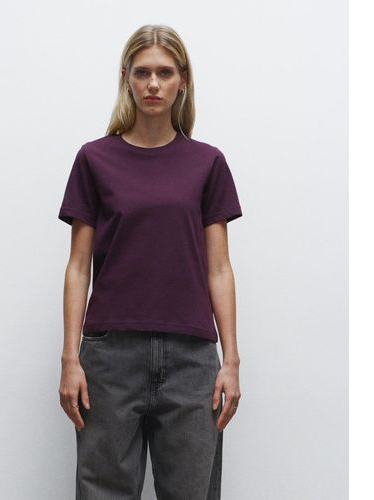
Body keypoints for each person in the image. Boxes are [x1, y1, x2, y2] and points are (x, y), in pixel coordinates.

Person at [58, 24, 243, 500]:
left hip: (191, 359)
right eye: (142, 73)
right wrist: (70, 358)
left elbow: (219, 268)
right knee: (102, 491)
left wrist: (231, 360)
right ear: (126, 79)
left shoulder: (207, 164)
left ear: (183, 80)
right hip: (110, 358)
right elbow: (78, 266)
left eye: (165, 72)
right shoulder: (94, 160)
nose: (153, 84)